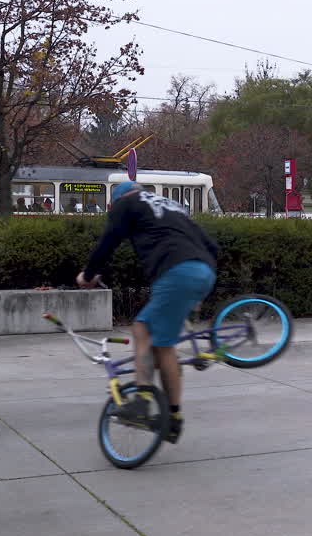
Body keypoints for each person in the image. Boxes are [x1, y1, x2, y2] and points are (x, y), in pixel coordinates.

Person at [77, 180, 218, 444]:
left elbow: (108, 242)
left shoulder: (126, 203)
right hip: (204, 271)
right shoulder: (174, 206)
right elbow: (212, 245)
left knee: (142, 329)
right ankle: (173, 420)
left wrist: (88, 274)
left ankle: (142, 401)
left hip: (175, 272)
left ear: (117, 199)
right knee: (163, 347)